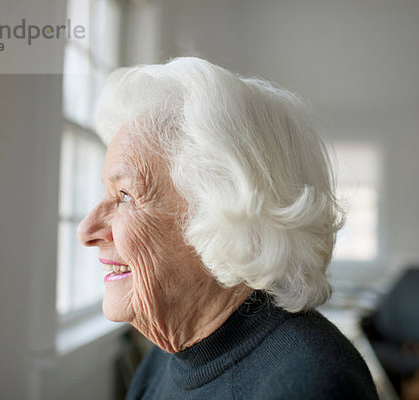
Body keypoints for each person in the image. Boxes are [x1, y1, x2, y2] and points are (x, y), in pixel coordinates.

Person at [77, 57, 379, 399]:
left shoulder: (309, 383)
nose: (86, 230)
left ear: (222, 212)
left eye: (126, 195)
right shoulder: (164, 361)